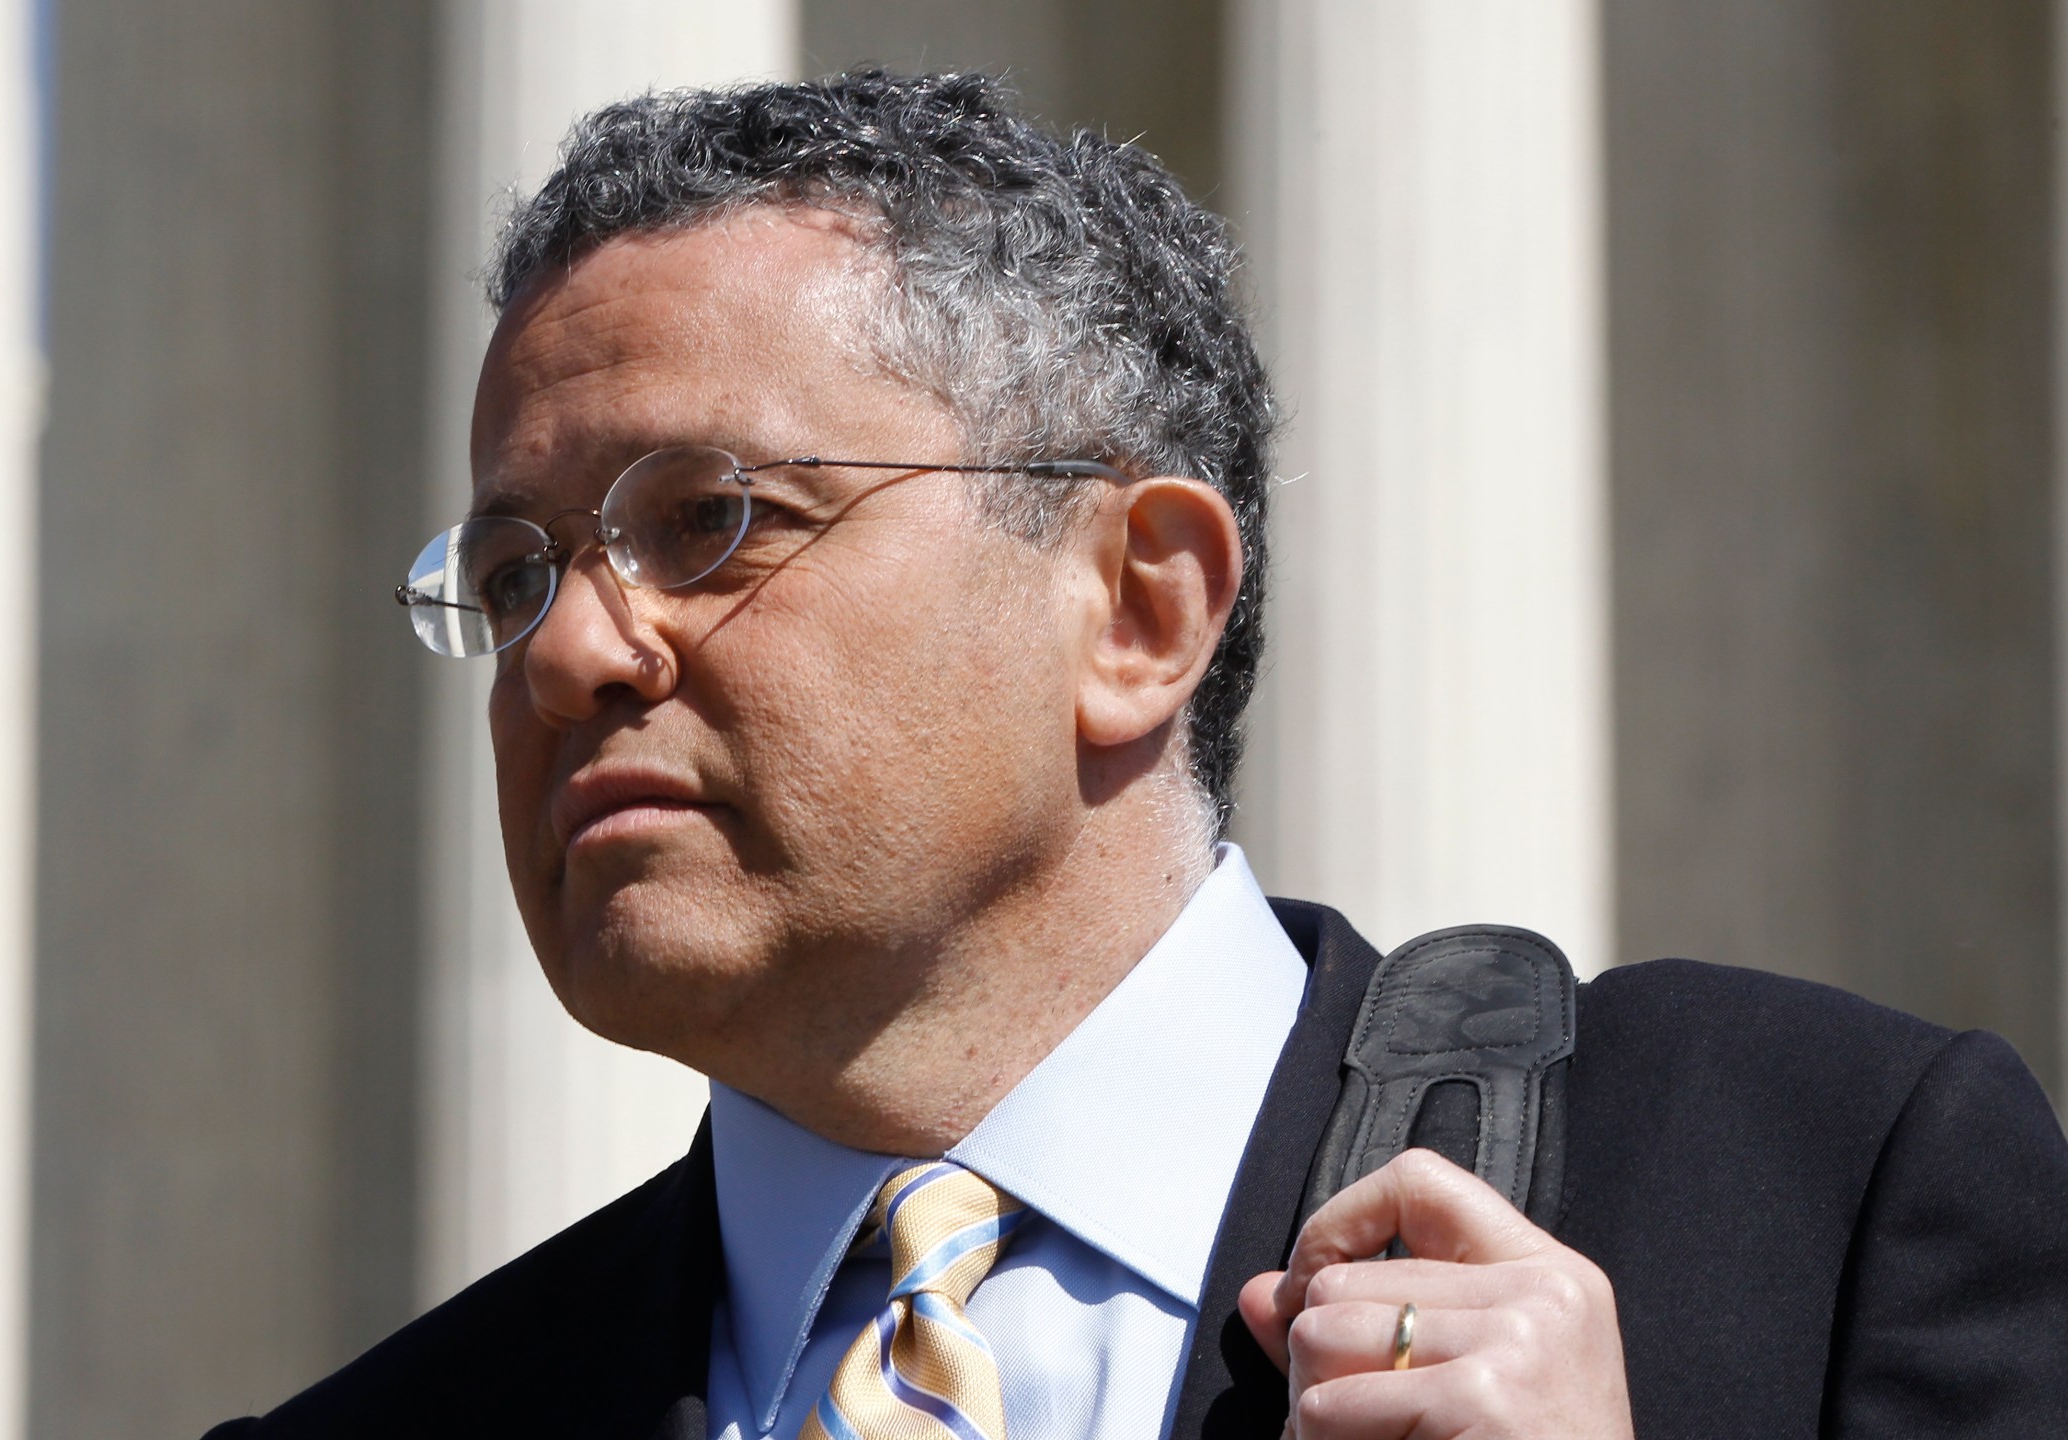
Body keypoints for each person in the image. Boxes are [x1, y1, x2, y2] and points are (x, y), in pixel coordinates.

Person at [203, 71, 2068, 1439]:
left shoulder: (1823, 1194)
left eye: (710, 519)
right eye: (517, 574)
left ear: (1138, 608)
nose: (575, 656)